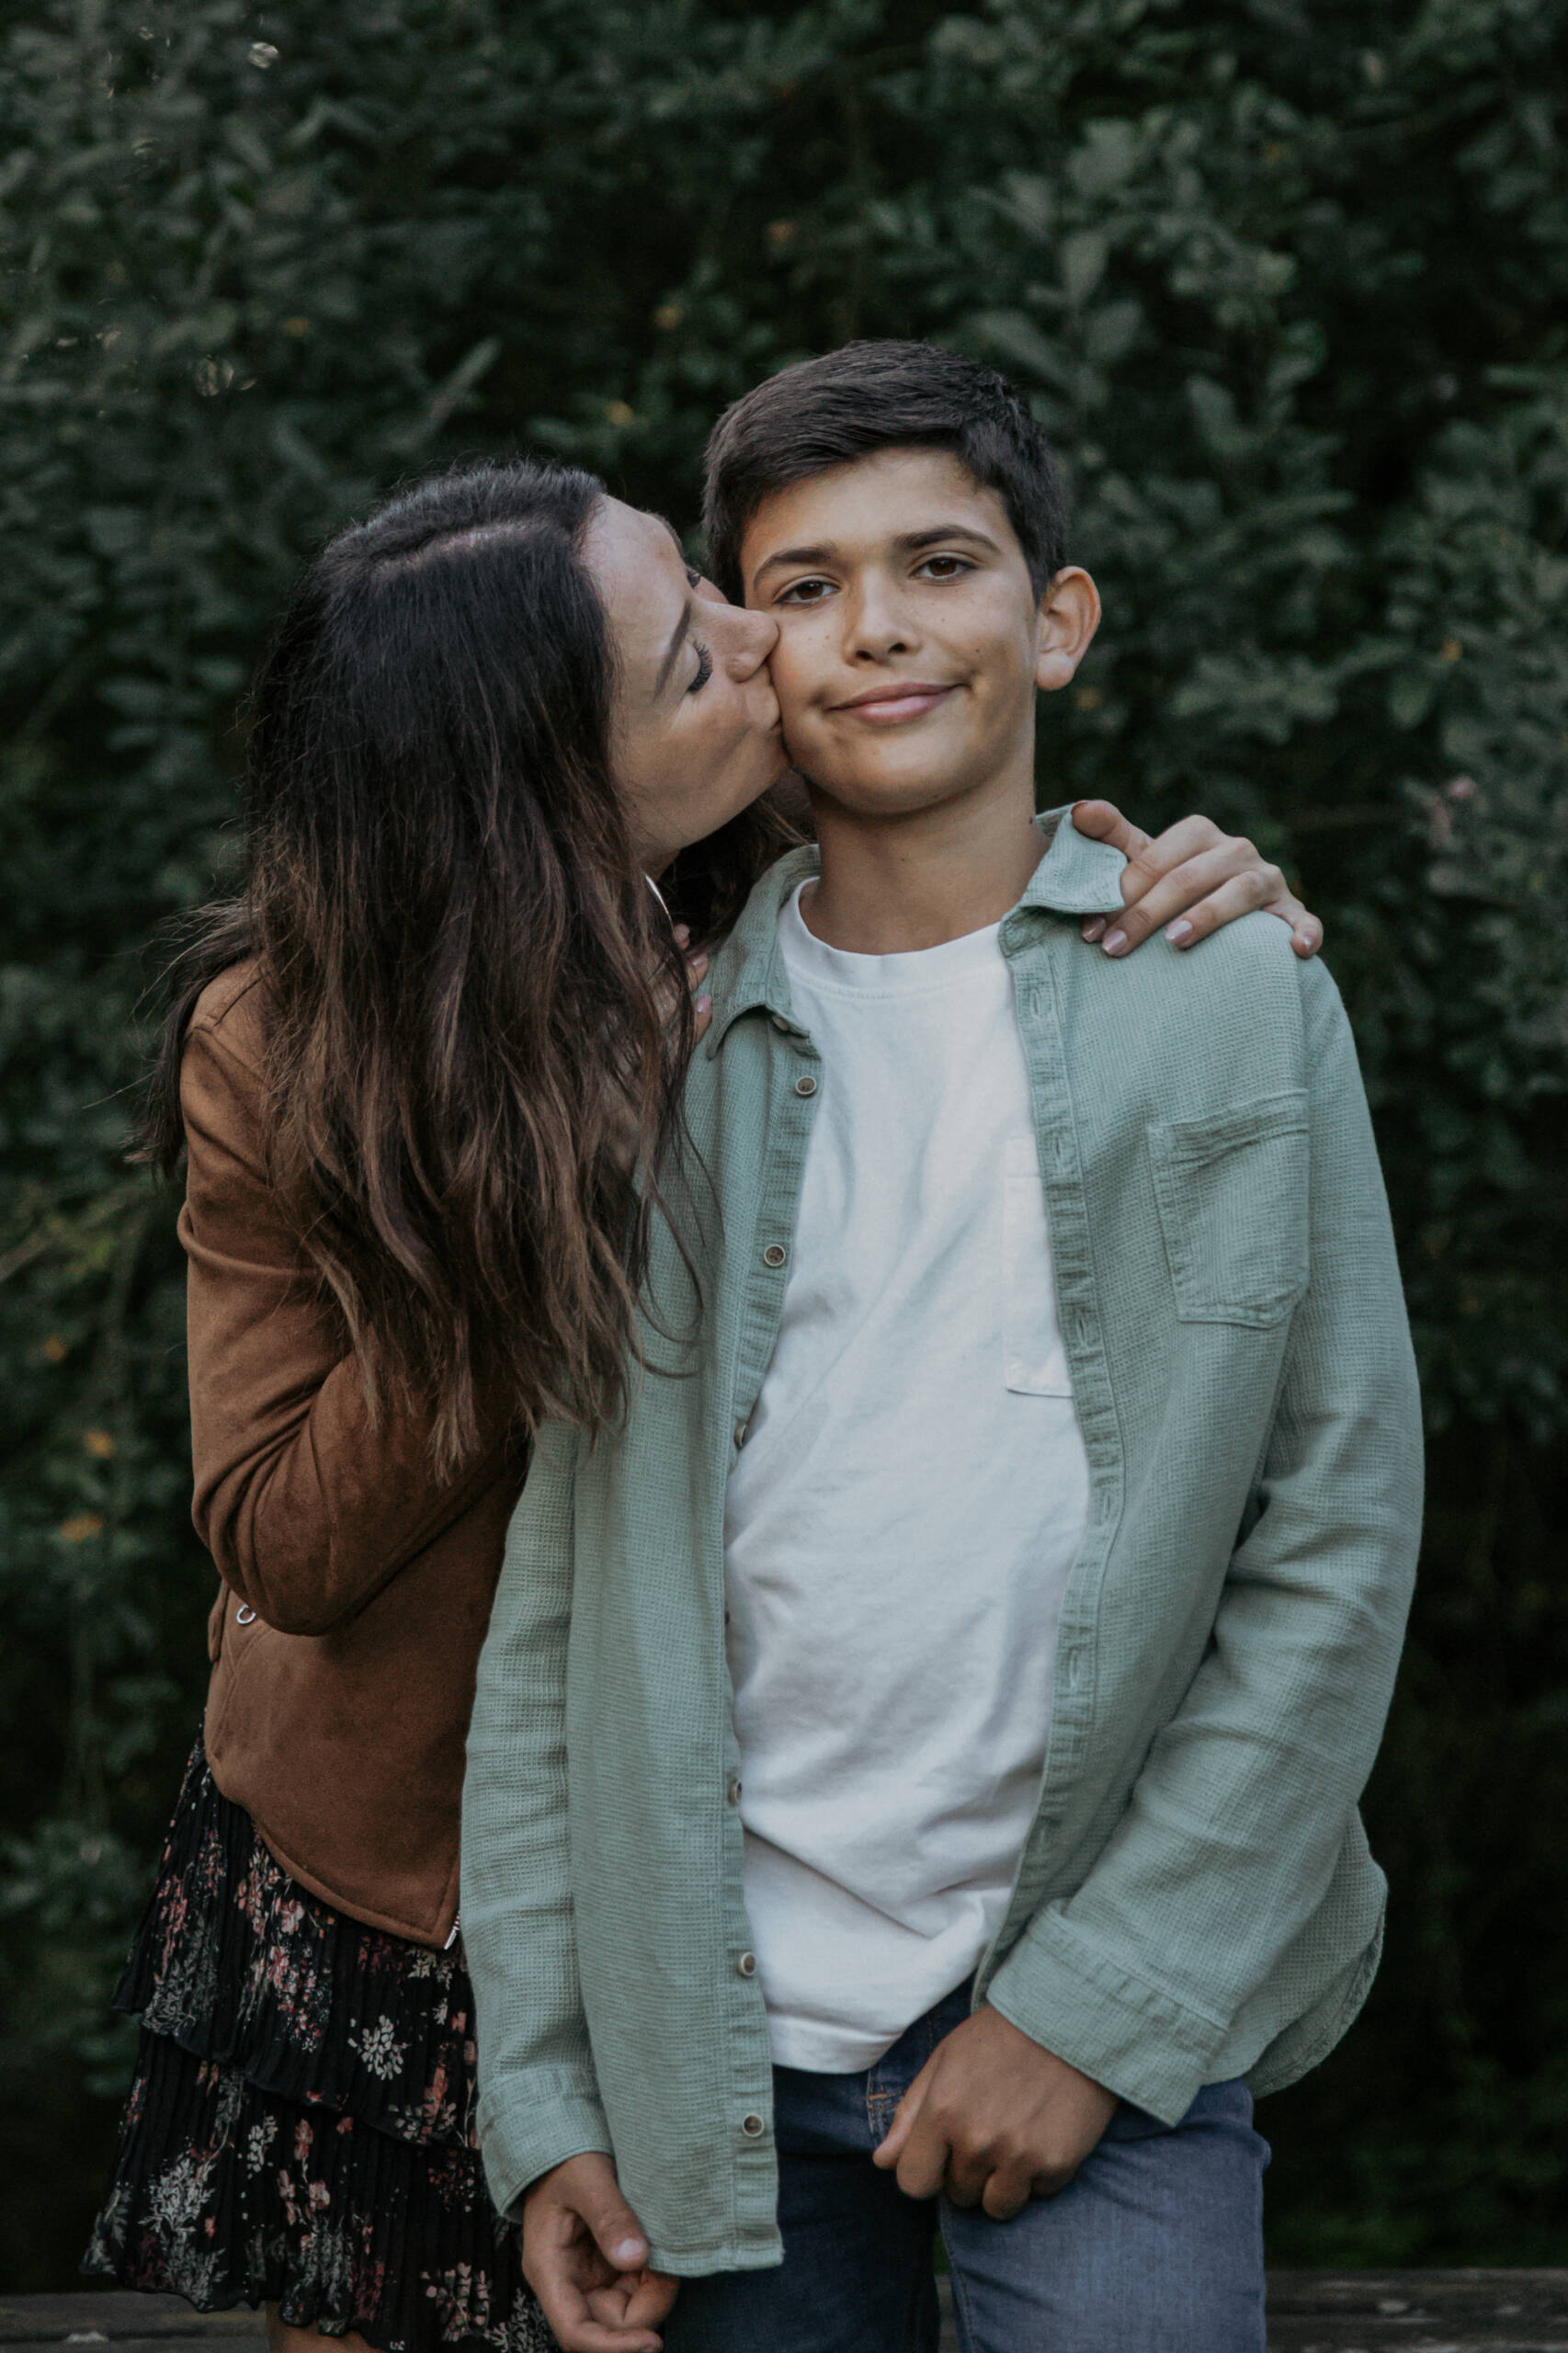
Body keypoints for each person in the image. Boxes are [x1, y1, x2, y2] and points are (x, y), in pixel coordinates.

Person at [82, 452, 1305, 2353]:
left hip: (763, 1861)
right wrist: (547, 1154)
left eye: (702, 586)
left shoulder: (761, 892)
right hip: (413, 1885)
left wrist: (1198, 885)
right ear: (549, 801)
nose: (769, 641)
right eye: (695, 651)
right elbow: (282, 1538)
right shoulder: (288, 1034)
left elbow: (995, 831)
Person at [460, 344, 1424, 2353]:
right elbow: (563, 1618)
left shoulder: (1230, 994)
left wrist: (1095, 2008)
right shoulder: (650, 1052)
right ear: (742, 649)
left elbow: (1333, 1538)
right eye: (800, 585)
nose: (876, 626)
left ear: (1054, 619)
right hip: (705, 2049)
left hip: (1110, 1997)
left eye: (940, 563)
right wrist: (548, 2093)